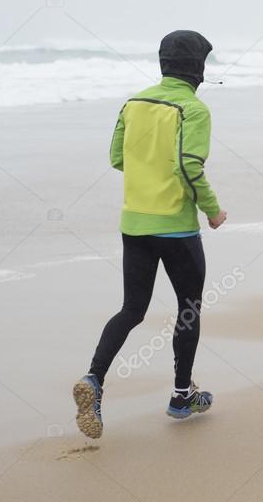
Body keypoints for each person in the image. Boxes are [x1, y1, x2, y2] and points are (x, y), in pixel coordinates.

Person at [73, 30, 227, 439]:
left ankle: (93, 379)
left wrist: (149, 174)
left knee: (132, 310)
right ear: (197, 67)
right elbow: (190, 167)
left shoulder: (134, 102)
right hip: (176, 228)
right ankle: (181, 396)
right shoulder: (193, 109)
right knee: (188, 309)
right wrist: (212, 211)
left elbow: (117, 157)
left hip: (135, 224)